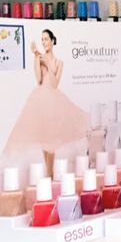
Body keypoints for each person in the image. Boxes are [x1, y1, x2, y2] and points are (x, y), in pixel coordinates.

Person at [2, 29, 88, 176]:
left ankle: (50, 173)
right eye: (42, 39)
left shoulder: (59, 62)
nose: (43, 42)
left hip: (54, 100)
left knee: (52, 137)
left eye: (46, 39)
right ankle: (49, 173)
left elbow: (55, 84)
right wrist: (36, 56)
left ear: (52, 41)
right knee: (44, 137)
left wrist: (48, 63)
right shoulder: (39, 58)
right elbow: (39, 79)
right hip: (41, 99)